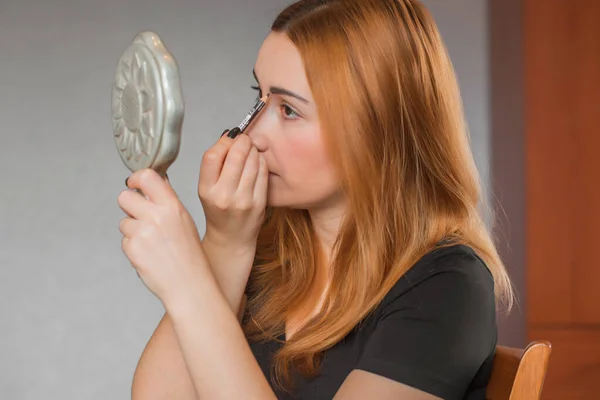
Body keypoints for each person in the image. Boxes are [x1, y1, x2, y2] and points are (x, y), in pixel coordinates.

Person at [117, 0, 514, 399]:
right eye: (260, 97)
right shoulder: (267, 256)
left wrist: (189, 284)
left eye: (289, 110)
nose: (253, 135)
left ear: (375, 129)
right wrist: (223, 245)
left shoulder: (445, 287)